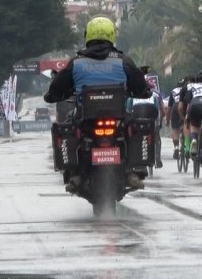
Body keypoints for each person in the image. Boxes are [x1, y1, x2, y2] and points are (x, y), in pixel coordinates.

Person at [44, 16, 151, 191]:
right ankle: (133, 169)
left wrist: (52, 95)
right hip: (118, 119)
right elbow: (140, 87)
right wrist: (144, 91)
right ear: (111, 35)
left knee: (69, 126)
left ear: (88, 36)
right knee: (134, 126)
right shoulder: (124, 61)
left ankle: (75, 173)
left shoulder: (76, 63)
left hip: (86, 120)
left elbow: (57, 87)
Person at [128, 74, 164, 169]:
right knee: (156, 135)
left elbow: (128, 110)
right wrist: (158, 125)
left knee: (134, 135)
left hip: (136, 113)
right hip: (151, 113)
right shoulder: (156, 95)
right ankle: (157, 156)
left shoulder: (131, 94)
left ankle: (134, 154)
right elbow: (158, 111)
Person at [167, 76, 188, 159]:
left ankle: (176, 147)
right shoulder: (187, 89)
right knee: (186, 125)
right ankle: (186, 144)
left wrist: (167, 120)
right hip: (184, 106)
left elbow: (169, 108)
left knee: (175, 129)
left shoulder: (173, 91)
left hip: (175, 107)